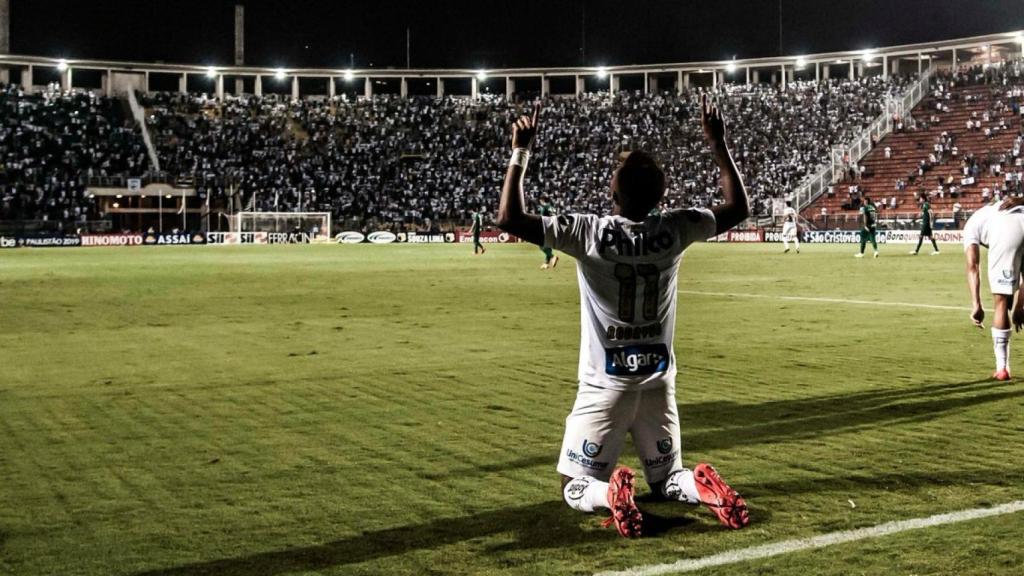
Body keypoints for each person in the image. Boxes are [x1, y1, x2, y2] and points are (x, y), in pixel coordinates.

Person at [495, 97, 751, 538]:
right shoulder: (676, 227)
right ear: (661, 196)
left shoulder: (589, 232)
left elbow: (509, 217)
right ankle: (699, 486)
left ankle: (607, 493)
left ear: (612, 195)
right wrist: (718, 144)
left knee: (572, 486)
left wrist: (521, 151)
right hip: (658, 379)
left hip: (605, 384)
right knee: (667, 479)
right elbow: (738, 208)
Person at [963, 198, 1024, 381]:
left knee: (1001, 302)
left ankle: (1002, 368)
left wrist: (976, 305)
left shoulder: (971, 226)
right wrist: (1021, 304)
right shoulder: (992, 211)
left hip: (1008, 229)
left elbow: (973, 266)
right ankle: (1020, 308)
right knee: (1012, 303)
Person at [538, 196, 559, 269]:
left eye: (540, 201)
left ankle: (553, 256)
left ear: (542, 200)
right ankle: (546, 263)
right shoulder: (553, 208)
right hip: (554, 228)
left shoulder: (544, 207)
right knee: (548, 245)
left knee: (541, 245)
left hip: (546, 228)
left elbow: (542, 218)